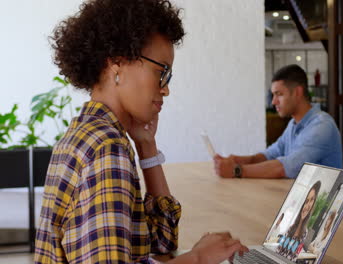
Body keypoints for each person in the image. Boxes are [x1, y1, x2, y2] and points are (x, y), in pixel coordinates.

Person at [34, 1, 247, 263]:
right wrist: (199, 258)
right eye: (161, 71)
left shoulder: (89, 131)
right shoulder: (105, 148)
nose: (166, 88)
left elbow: (161, 240)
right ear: (117, 64)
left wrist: (146, 146)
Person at [213, 65, 343, 179]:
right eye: (273, 95)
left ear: (298, 92)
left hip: (327, 205)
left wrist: (237, 170)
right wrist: (237, 160)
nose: (273, 101)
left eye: (279, 94)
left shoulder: (322, 126)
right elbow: (268, 155)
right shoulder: (293, 125)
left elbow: (286, 167)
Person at [277, 181, 321, 260]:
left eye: (311, 200)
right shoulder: (291, 228)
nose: (307, 206)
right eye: (306, 201)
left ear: (313, 205)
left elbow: (293, 258)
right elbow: (278, 249)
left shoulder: (304, 233)